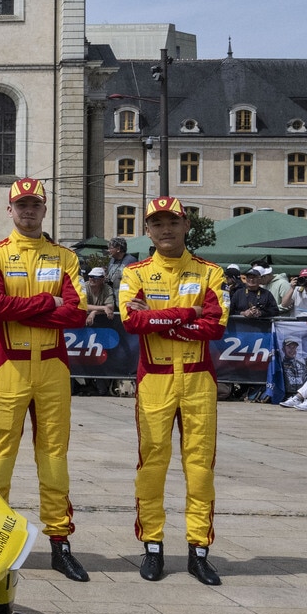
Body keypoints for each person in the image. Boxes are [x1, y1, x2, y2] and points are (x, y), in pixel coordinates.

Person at [0, 177, 92, 581]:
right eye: (21, 205)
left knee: (54, 455)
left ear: (45, 210)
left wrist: (24, 308)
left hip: (52, 367)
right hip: (8, 365)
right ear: (10, 210)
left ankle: (59, 542)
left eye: (35, 205)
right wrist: (48, 302)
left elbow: (76, 313)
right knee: (1, 456)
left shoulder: (64, 257)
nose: (28, 211)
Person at [117, 196, 228, 585]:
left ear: (186, 226)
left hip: (199, 379)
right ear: (147, 230)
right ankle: (153, 548)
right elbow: (132, 321)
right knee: (152, 466)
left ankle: (199, 551)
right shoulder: (135, 273)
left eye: (172, 222)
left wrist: (160, 320)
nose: (165, 229)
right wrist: (188, 313)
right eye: (157, 223)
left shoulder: (210, 273)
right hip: (156, 379)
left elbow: (215, 327)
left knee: (200, 469)